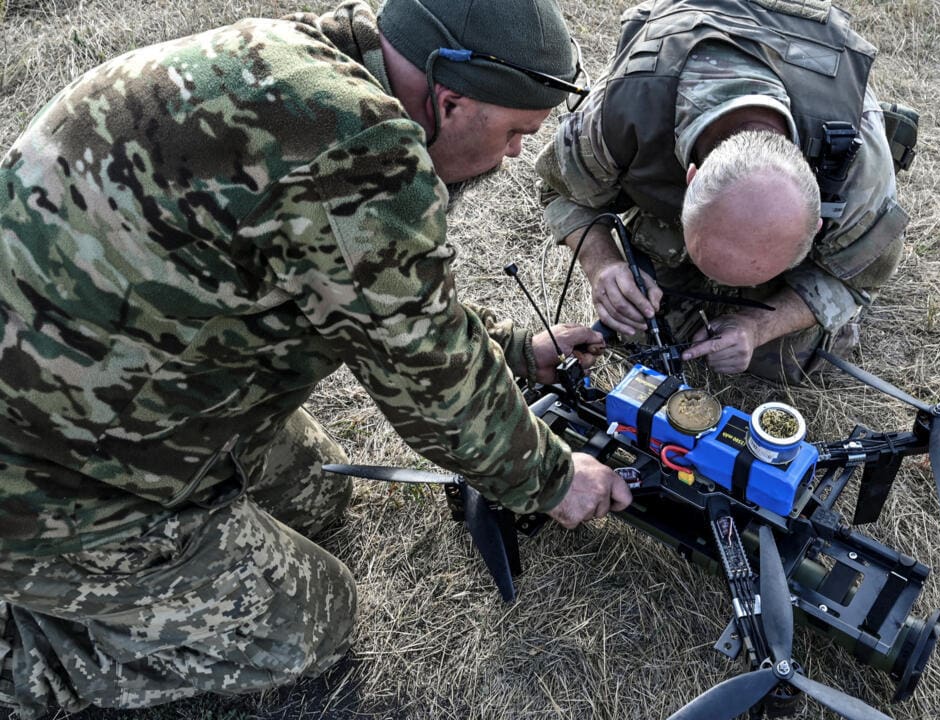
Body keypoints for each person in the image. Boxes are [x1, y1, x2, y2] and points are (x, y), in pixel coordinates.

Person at [0, 0, 630, 716]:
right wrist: (551, 478)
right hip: (53, 474)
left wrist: (515, 348)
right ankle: (22, 658)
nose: (515, 153)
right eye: (516, 132)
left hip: (99, 380)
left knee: (317, 491)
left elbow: (383, 289)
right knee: (307, 625)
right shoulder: (356, 149)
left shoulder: (320, 64)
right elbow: (430, 380)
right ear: (451, 101)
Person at [536, 0, 912, 382]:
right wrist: (602, 263)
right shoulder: (620, 113)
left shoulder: (858, 166)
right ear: (690, 178)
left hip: (823, 112)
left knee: (785, 359)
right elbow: (557, 189)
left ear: (816, 225)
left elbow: (859, 277)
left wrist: (759, 326)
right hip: (668, 91)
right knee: (642, 325)